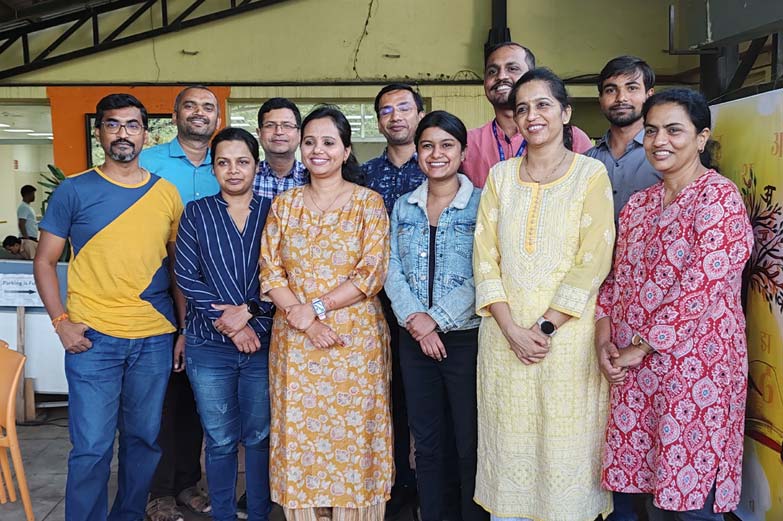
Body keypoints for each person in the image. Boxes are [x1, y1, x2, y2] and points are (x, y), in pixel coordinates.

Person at [596, 89, 753, 520]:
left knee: (691, 500)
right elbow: (613, 280)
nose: (659, 141)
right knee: (641, 494)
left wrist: (640, 347)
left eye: (673, 130)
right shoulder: (638, 206)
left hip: (694, 373)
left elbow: (700, 287)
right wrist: (604, 338)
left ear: (701, 138)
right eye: (651, 131)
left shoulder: (718, 198)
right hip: (634, 373)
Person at [472, 68, 615, 521]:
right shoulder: (500, 177)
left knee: (565, 453)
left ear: (566, 113)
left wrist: (545, 325)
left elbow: (594, 258)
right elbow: (484, 257)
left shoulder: (590, 174)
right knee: (509, 452)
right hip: (503, 341)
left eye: (543, 105)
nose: (532, 115)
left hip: (567, 343)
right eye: (523, 108)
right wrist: (512, 329)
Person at [33, 93, 183, 521]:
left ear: (145, 134)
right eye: (113, 124)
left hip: (153, 337)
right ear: (99, 132)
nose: (123, 133)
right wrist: (61, 323)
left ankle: (129, 515)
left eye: (132, 125)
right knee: (92, 447)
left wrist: (184, 331)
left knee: (143, 442)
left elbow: (177, 270)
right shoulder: (73, 190)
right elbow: (44, 261)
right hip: (92, 338)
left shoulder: (166, 194)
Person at [260, 105, 392, 521]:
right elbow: (270, 270)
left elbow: (371, 273)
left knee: (354, 436)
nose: (318, 150)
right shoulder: (284, 205)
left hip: (354, 344)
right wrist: (301, 317)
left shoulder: (368, 204)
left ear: (346, 150)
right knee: (300, 435)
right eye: (310, 142)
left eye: (329, 142)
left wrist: (315, 309)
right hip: (296, 344)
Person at [384, 110, 487, 521]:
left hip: (465, 338)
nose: (436, 154)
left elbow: (487, 271)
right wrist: (416, 320)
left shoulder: (483, 203)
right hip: (413, 339)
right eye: (427, 146)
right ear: (417, 153)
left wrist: (437, 319)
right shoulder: (403, 206)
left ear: (463, 152)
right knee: (426, 442)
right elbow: (389, 266)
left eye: (447, 145)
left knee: (468, 441)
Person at [174, 127, 273, 521]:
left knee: (260, 437)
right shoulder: (196, 213)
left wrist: (249, 312)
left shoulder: (276, 212)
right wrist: (229, 323)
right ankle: (225, 515)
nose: (233, 170)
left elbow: (287, 275)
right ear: (213, 168)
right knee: (219, 439)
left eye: (242, 161)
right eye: (223, 162)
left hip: (263, 342)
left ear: (257, 166)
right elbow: (186, 275)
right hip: (208, 346)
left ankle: (260, 513)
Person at [140, 85, 221, 521]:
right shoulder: (148, 162)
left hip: (213, 298)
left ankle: (189, 482)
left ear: (218, 119)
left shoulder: (225, 162)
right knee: (161, 398)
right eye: (190, 106)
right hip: (158, 294)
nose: (199, 113)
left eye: (208, 107)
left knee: (195, 395)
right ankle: (158, 491)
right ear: (174, 116)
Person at [362, 83, 426, 515]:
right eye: (386, 111)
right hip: (374, 306)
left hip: (428, 309)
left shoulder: (439, 164)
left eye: (404, 108)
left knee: (424, 400)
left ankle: (432, 484)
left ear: (419, 113)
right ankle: (397, 482)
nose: (396, 116)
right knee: (388, 400)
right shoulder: (364, 174)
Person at [462, 42, 594, 188]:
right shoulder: (467, 142)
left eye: (512, 68)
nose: (501, 76)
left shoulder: (573, 137)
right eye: (492, 71)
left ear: (531, 77)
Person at [587, 56, 661, 225]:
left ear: (649, 95)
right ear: (600, 99)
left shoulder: (665, 155)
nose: (621, 98)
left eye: (632, 88)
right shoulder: (587, 160)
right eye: (611, 90)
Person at [253, 97, 308, 200]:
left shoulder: (311, 178)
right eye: (270, 125)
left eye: (287, 125)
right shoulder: (245, 177)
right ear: (259, 133)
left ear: (300, 134)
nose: (279, 132)